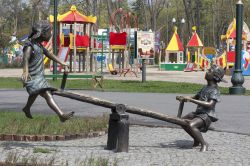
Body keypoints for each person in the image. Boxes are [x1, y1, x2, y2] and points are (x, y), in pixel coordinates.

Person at [21, 20, 74, 122]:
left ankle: (27, 108)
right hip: (31, 77)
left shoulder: (39, 46)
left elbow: (50, 55)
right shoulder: (30, 45)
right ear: (43, 33)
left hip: (39, 76)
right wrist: (25, 71)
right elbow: (25, 59)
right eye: (50, 32)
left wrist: (62, 62)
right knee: (46, 93)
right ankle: (61, 115)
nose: (51, 34)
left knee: (35, 92)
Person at [176, 64, 227, 152]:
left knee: (191, 125)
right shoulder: (205, 88)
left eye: (210, 71)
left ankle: (204, 143)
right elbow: (195, 97)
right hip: (199, 113)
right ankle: (197, 139)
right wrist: (184, 98)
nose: (207, 71)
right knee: (182, 122)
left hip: (207, 115)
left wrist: (191, 100)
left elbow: (210, 105)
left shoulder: (215, 90)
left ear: (215, 77)